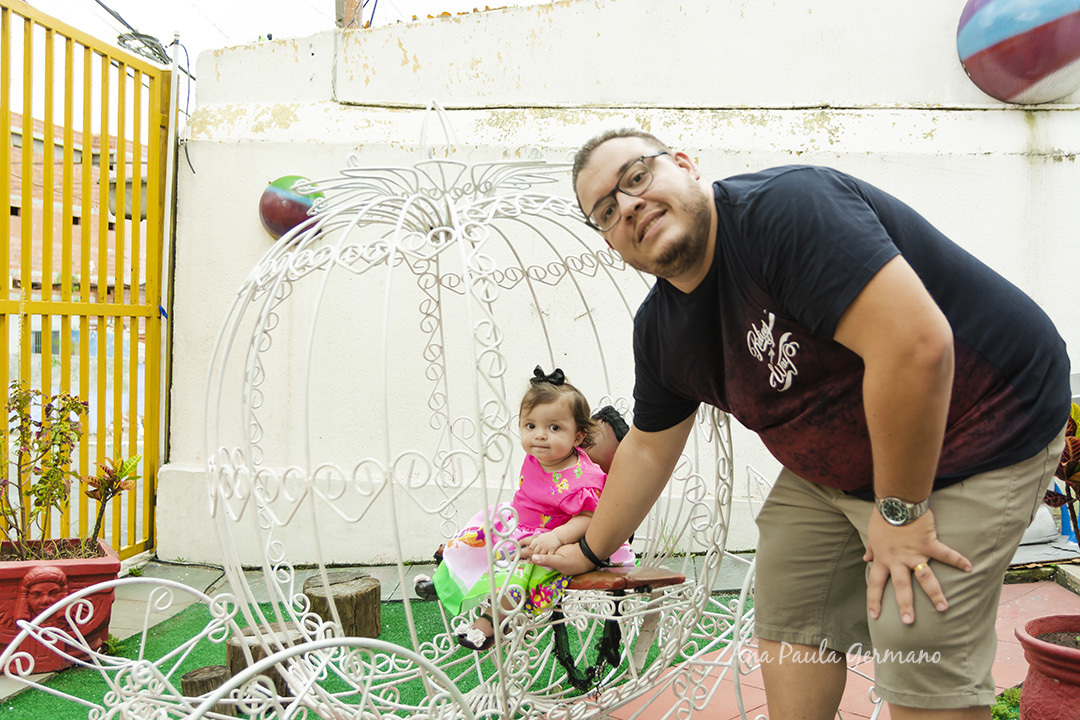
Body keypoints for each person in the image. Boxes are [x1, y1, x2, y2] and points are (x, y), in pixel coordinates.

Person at [532, 128, 1071, 719]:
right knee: (792, 610)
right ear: (610, 240)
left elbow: (915, 347)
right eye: (607, 211)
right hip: (836, 467)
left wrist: (900, 512)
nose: (629, 204)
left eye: (636, 177)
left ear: (685, 164)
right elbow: (649, 450)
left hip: (983, 424)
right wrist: (588, 546)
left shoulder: (785, 211)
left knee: (914, 623)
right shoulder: (661, 331)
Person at [430, 365, 634, 651]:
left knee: (521, 569)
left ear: (577, 437)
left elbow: (591, 517)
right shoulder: (541, 457)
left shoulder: (582, 478)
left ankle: (493, 621)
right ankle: (446, 578)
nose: (539, 435)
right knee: (480, 532)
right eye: (531, 426)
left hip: (559, 535)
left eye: (554, 428)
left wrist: (558, 537)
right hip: (521, 521)